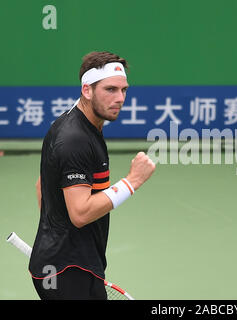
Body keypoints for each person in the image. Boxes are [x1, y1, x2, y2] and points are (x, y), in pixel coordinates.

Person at [29, 51, 156, 300]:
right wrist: (132, 182)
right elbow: (80, 214)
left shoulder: (79, 124)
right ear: (87, 90)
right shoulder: (74, 139)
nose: (120, 98)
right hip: (66, 271)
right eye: (110, 90)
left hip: (74, 263)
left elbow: (42, 185)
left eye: (124, 90)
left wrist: (53, 235)